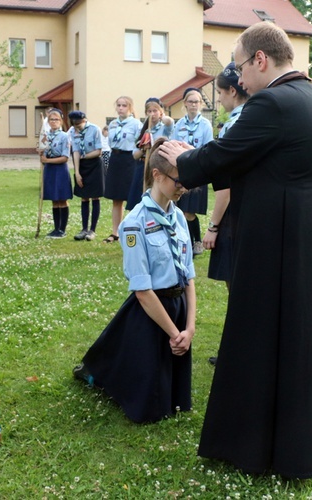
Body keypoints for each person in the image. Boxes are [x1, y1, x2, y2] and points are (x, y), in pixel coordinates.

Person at [160, 21, 312, 480]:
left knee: (263, 333)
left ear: (261, 60)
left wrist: (181, 157)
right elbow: (255, 161)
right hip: (309, 234)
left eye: (239, 66)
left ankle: (256, 443)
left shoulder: (273, 101)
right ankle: (299, 430)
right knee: (299, 335)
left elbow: (219, 157)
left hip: (278, 237)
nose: (237, 78)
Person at [73, 137, 195, 423]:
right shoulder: (133, 224)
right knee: (149, 407)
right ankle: (95, 372)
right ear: (157, 175)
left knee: (177, 401)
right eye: (179, 181)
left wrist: (188, 328)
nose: (184, 188)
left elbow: (189, 276)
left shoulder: (179, 218)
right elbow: (142, 290)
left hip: (178, 311)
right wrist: (172, 332)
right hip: (152, 312)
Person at [204, 62, 247, 366]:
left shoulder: (235, 124)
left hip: (235, 216)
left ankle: (236, 352)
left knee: (239, 288)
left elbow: (226, 185)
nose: (219, 100)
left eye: (220, 93)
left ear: (232, 91)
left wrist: (213, 226)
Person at [171, 88, 213, 256]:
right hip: (182, 170)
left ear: (200, 104)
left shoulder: (205, 125)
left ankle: (196, 242)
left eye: (196, 102)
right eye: (190, 101)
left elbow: (208, 148)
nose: (193, 105)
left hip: (198, 170)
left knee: (190, 211)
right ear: (185, 104)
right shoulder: (179, 124)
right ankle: (186, 242)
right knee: (181, 210)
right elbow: (173, 144)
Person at [103, 96, 140, 244]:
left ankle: (130, 230)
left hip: (129, 160)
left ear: (130, 108)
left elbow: (139, 143)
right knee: (116, 198)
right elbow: (111, 142)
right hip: (115, 158)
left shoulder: (136, 124)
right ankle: (115, 232)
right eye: (118, 105)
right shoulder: (112, 124)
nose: (120, 108)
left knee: (131, 197)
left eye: (124, 105)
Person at [128, 97, 173, 211]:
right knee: (138, 201)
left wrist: (163, 117)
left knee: (155, 199)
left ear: (160, 112)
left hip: (157, 167)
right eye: (149, 111)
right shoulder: (142, 130)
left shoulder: (164, 129)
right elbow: (135, 155)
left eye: (155, 111)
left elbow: (170, 122)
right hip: (142, 166)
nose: (152, 114)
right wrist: (143, 149)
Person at [68, 110, 104, 241]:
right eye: (75, 125)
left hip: (94, 164)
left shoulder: (95, 129)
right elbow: (75, 151)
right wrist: (77, 173)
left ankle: (92, 230)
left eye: (79, 124)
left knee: (95, 197)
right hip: (81, 165)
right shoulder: (72, 132)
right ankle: (83, 229)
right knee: (84, 197)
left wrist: (84, 156)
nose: (77, 127)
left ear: (84, 120)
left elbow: (99, 151)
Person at [38, 108, 72, 238]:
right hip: (49, 170)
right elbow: (43, 152)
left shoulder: (64, 136)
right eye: (51, 119)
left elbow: (65, 157)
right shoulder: (45, 136)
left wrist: (47, 160)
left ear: (61, 121)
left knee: (61, 199)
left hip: (60, 169)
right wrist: (41, 153)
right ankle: (56, 228)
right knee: (54, 199)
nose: (54, 122)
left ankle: (62, 229)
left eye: (56, 119)